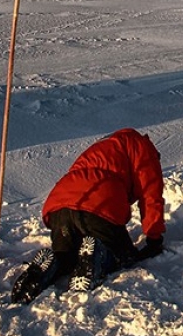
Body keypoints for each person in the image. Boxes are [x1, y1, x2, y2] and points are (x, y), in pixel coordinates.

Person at [11, 127, 166, 303]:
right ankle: (97, 257)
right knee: (122, 256)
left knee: (68, 256)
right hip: (99, 203)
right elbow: (150, 195)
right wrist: (154, 239)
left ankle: (52, 263)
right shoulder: (145, 151)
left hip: (60, 205)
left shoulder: (105, 146)